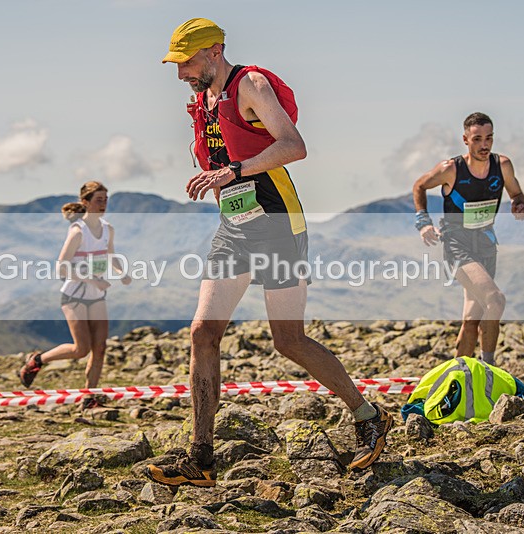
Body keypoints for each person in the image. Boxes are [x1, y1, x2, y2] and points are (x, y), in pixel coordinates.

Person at [145, 18, 393, 488]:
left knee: (288, 340)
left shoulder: (250, 84)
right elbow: (214, 161)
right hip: (235, 229)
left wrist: (233, 171)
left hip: (279, 225)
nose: (180, 72)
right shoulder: (203, 100)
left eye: (186, 62)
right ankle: (200, 457)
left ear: (214, 51)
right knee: (202, 332)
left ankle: (367, 415)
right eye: (176, 64)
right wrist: (208, 143)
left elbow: (294, 146)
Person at [412, 112, 524, 364]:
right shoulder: (451, 169)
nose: (484, 145)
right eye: (477, 139)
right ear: (465, 139)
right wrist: (423, 222)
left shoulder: (502, 166)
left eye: (489, 138)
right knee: (495, 299)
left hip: (486, 245)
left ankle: (458, 374)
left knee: (471, 319)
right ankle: (489, 367)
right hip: (457, 246)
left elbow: (516, 193)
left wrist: (519, 204)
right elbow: (419, 186)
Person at [18, 181, 131, 408]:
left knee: (99, 348)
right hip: (74, 295)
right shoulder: (78, 231)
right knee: (81, 350)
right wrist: (93, 280)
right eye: (99, 200)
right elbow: (61, 266)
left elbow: (111, 254)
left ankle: (89, 398)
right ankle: (37, 360)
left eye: (106, 199)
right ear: (85, 202)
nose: (103, 204)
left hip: (96, 295)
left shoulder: (108, 229)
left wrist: (122, 272)